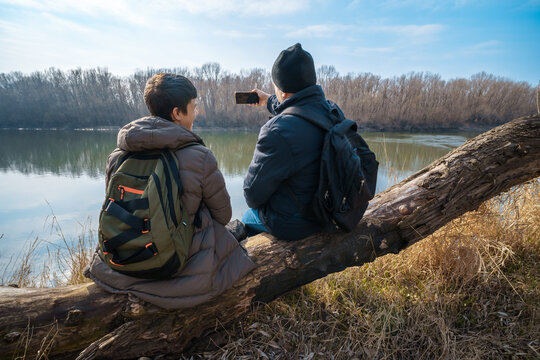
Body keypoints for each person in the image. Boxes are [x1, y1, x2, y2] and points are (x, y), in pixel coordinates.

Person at [85, 73, 255, 309]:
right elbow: (223, 216)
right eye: (193, 107)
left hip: (120, 257)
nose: (196, 113)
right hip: (174, 262)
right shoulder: (200, 157)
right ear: (177, 113)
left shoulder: (118, 155)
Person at [243, 43, 363, 240]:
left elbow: (252, 195)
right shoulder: (332, 111)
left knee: (248, 217)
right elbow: (301, 107)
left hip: (298, 223)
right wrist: (269, 100)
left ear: (282, 91)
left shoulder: (275, 131)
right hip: (332, 209)